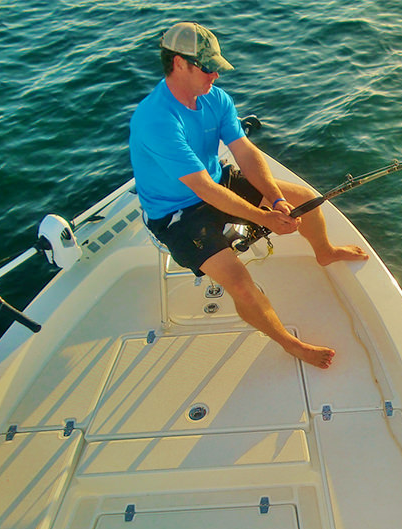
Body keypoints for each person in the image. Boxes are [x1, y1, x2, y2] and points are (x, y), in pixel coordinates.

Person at [129, 22, 367, 369]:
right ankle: (290, 344)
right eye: (208, 68)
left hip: (218, 182)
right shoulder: (156, 120)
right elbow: (202, 189)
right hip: (177, 214)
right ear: (179, 64)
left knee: (303, 197)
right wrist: (264, 218)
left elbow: (244, 151)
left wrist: (276, 199)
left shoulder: (216, 99)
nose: (215, 76)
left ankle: (325, 252)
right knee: (240, 284)